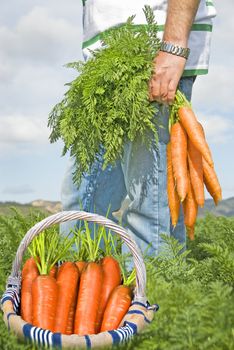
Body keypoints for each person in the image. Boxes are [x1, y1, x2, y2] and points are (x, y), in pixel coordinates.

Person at [60, 0, 216, 255]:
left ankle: (153, 293)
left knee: (149, 213)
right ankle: (84, 291)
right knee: (80, 205)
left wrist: (173, 45)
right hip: (103, 65)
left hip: (152, 54)